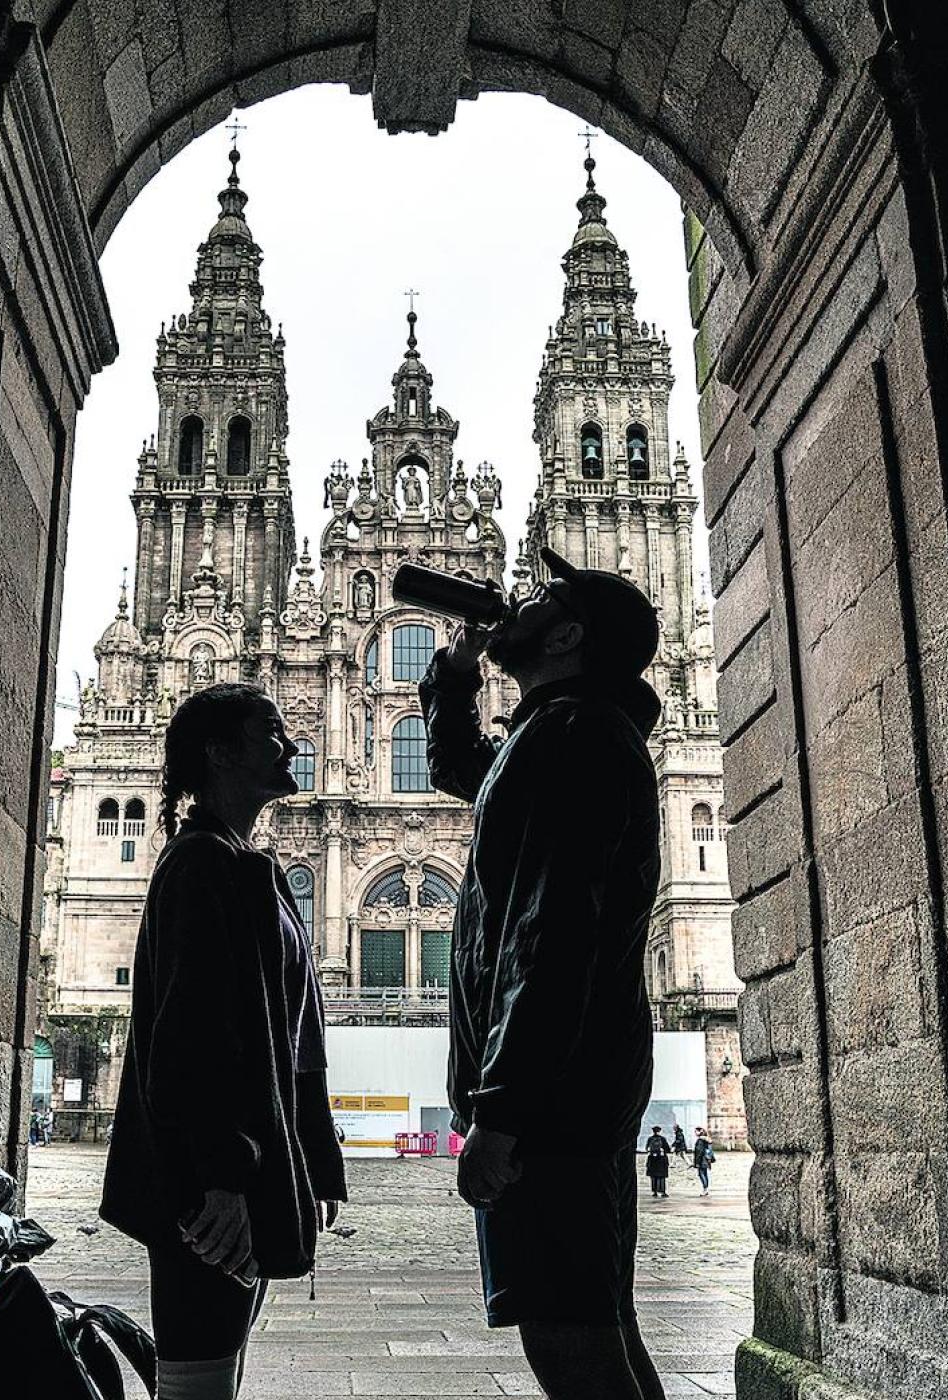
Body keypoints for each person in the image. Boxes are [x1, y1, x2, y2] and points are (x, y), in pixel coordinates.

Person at [418, 547, 665, 1400]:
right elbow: (464, 775)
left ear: (565, 636)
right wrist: (455, 678)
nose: (515, 601)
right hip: (570, 1086)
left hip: (553, 1098)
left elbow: (551, 934)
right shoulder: (560, 730)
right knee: (599, 1321)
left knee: (572, 1343)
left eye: (539, 598)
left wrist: (504, 1111)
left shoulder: (575, 736)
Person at [100, 682, 347, 1400]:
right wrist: (220, 1178)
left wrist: (318, 1158)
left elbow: (296, 1036)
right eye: (271, 730)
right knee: (198, 1375)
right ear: (219, 753)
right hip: (211, 1182)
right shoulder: (200, 865)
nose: (294, 741)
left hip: (252, 1168)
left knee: (219, 1365)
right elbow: (190, 1038)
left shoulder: (249, 868)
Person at [644, 1128, 671, 1199]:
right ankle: (662, 1191)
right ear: (659, 1131)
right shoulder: (663, 1139)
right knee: (662, 1177)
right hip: (661, 1160)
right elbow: (668, 1149)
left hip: (652, 1160)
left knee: (653, 1176)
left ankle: (654, 1191)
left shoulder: (650, 1139)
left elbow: (646, 1148)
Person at [693, 1128, 715, 1196]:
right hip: (706, 1159)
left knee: (701, 1174)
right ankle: (706, 1188)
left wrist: (696, 1162)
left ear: (700, 1132)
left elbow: (699, 1151)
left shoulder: (700, 1140)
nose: (695, 1133)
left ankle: (705, 1189)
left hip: (702, 1160)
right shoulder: (707, 1139)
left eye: (696, 1131)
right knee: (705, 1174)